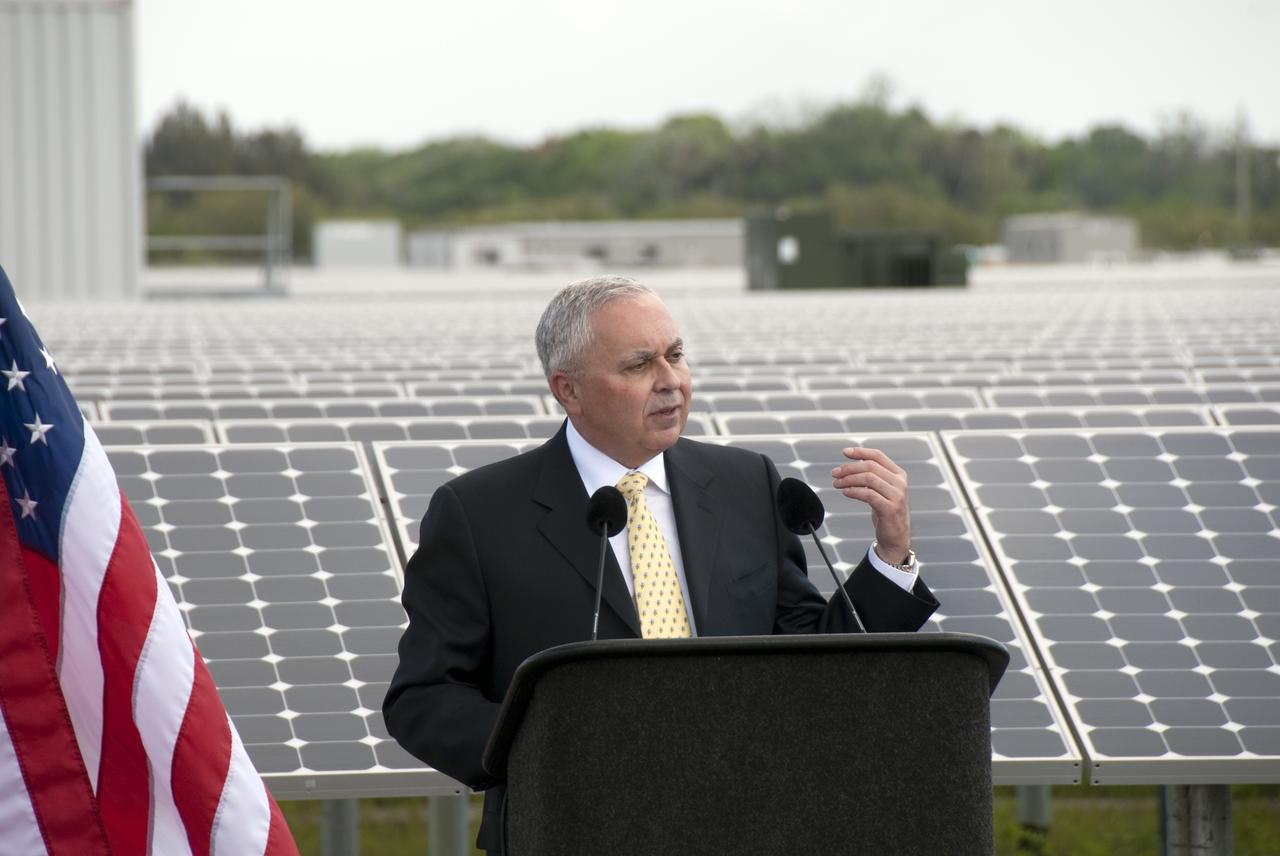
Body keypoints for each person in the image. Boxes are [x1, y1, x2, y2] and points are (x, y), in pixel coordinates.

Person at [383, 275, 939, 853]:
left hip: (751, 826)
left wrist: (891, 555)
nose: (671, 381)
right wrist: (545, 750)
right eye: (638, 365)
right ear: (568, 390)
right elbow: (423, 697)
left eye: (675, 355)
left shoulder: (746, 483)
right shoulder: (479, 513)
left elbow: (813, 661)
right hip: (573, 828)